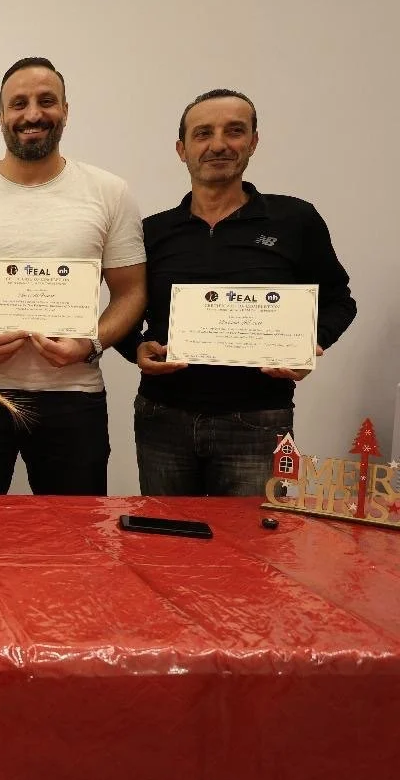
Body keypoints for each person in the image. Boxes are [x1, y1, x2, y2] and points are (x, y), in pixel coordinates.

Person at [0, 57, 147, 496]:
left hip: (74, 396)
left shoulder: (109, 192)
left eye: (46, 101)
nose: (33, 114)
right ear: (1, 115)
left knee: (74, 540)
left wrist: (90, 343)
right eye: (19, 104)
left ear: (66, 111)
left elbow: (131, 291)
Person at [116, 89, 356, 496]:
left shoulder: (294, 219)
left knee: (254, 551)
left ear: (253, 142)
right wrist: (135, 348)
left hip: (258, 420)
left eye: (234, 131)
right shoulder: (153, 231)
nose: (219, 145)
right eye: (203, 133)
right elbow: (124, 304)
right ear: (182, 149)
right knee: (167, 548)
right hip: (163, 417)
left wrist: (309, 343)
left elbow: (339, 300)